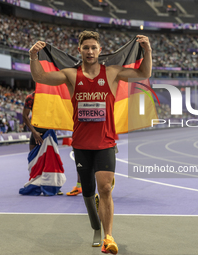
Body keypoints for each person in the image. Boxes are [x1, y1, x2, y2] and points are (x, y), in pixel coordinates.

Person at [29, 31, 152, 254]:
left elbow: (144, 72)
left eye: (94, 47)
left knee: (105, 188)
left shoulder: (112, 73)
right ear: (80, 50)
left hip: (105, 143)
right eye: (86, 47)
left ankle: (108, 237)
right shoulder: (71, 75)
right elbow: (40, 78)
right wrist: (33, 57)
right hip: (82, 145)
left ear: (100, 50)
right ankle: (95, 225)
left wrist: (148, 50)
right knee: (88, 191)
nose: (90, 51)